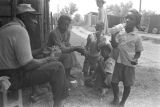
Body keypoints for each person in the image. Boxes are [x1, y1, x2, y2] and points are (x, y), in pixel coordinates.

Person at [0, 4, 68, 107]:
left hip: (4, 73)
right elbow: (28, 65)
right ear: (24, 16)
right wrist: (49, 59)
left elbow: (21, 56)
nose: (36, 21)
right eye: (33, 17)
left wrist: (41, 50)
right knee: (58, 67)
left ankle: (37, 92)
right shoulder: (20, 31)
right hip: (12, 78)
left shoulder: (7, 28)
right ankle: (59, 104)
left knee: (40, 59)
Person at [110, 9, 143, 107]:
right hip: (119, 62)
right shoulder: (120, 32)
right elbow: (115, 45)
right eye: (126, 18)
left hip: (129, 65)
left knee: (127, 85)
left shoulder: (137, 37)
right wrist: (113, 36)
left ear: (136, 22)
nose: (127, 20)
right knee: (113, 82)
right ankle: (116, 98)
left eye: (131, 19)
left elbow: (138, 52)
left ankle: (122, 102)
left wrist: (135, 59)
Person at [47, 15, 84, 80]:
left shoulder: (68, 32)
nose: (66, 27)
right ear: (59, 24)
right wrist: (75, 48)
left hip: (59, 52)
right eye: (64, 24)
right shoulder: (54, 33)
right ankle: (64, 76)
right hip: (51, 53)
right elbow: (61, 49)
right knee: (68, 55)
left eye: (67, 25)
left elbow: (67, 44)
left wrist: (76, 48)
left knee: (71, 53)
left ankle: (67, 74)